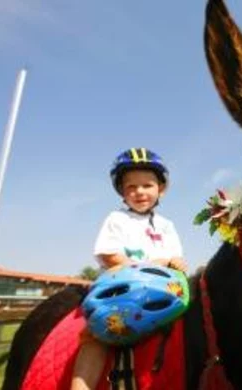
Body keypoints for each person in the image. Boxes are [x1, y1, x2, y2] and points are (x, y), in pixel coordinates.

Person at [71, 148, 187, 390]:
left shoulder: (166, 225)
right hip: (121, 290)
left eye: (147, 185)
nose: (140, 192)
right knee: (96, 335)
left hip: (161, 290)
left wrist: (177, 263)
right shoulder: (116, 219)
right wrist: (143, 268)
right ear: (122, 192)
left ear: (160, 189)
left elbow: (176, 257)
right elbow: (108, 254)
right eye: (131, 187)